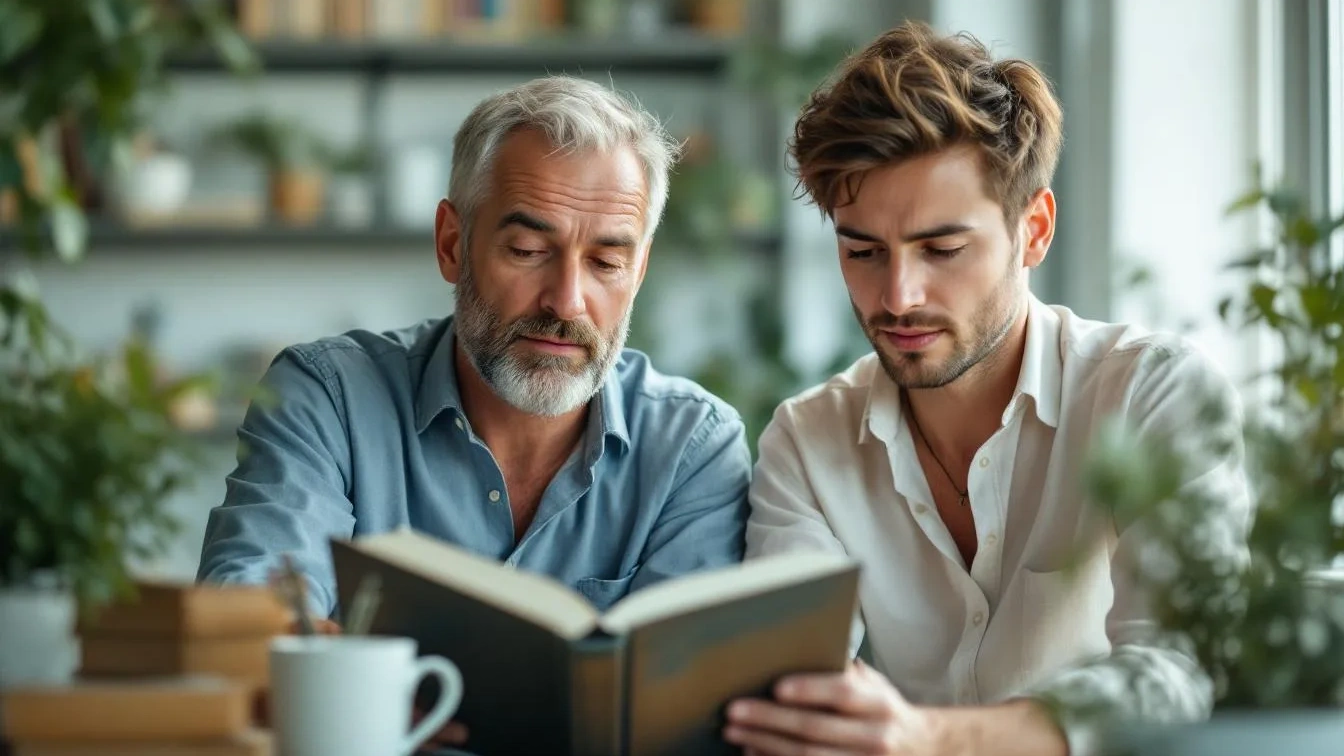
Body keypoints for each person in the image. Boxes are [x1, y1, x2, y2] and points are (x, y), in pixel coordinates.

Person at [725, 21, 1250, 756]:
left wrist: (929, 739)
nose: (899, 295)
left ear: (1033, 230)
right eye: (863, 250)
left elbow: (1185, 669)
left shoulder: (1151, 393)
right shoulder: (808, 442)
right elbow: (790, 687)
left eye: (942, 248)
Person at [198, 76, 750, 649]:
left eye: (607, 262)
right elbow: (247, 623)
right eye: (528, 251)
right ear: (452, 245)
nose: (566, 300)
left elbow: (682, 696)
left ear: (638, 272)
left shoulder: (692, 449)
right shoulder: (329, 400)